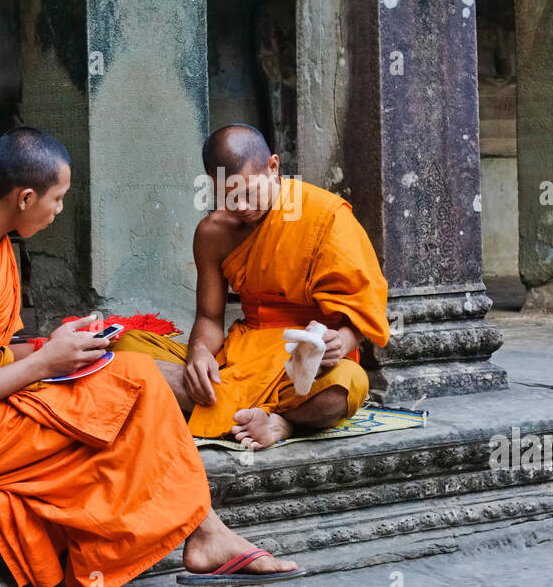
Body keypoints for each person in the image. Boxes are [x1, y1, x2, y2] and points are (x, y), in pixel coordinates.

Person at [0, 127, 303, 587]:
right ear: (26, 197)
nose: (58, 212)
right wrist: (44, 364)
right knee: (115, 432)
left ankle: (204, 534)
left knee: (138, 375)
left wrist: (50, 349)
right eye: (57, 200)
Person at [113, 124, 390, 451]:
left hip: (301, 363)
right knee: (125, 348)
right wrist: (200, 353)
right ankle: (249, 413)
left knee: (347, 386)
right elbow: (209, 317)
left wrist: (340, 342)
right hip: (243, 354)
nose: (242, 206)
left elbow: (361, 312)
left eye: (250, 192)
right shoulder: (212, 233)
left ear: (273, 167)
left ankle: (278, 423)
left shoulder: (325, 216)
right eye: (229, 196)